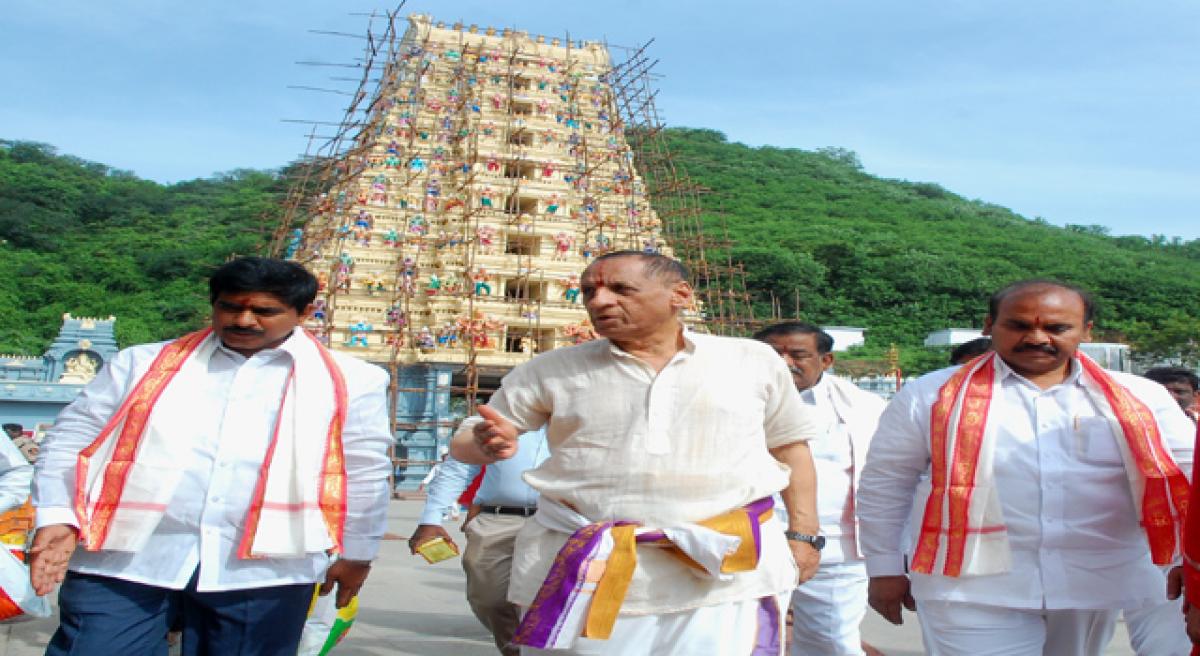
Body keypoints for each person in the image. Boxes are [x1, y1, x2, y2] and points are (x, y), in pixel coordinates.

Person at [451, 251, 823, 655]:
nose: (599, 301)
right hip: (588, 569)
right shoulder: (550, 369)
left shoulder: (751, 360)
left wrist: (803, 535)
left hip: (727, 569)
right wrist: (486, 443)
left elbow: (790, 448)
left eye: (620, 289)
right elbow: (468, 440)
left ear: (679, 295)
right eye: (589, 291)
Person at [30, 257, 394, 655]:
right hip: (126, 556)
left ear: (305, 312)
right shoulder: (142, 363)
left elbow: (364, 468)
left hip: (264, 568)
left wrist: (359, 553)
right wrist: (57, 514)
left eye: (264, 311)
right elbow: (71, 438)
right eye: (230, 307)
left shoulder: (353, 380)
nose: (244, 320)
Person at [858, 279, 1194, 655]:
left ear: (1086, 331)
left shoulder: (1142, 397)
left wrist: (1191, 561)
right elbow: (887, 483)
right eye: (1018, 325)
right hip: (968, 584)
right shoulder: (930, 394)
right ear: (989, 325)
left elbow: (1188, 475)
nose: (1037, 338)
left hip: (1095, 579)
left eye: (1056, 328)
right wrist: (884, 566)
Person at [755, 322, 885, 656]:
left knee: (832, 642)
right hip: (746, 542)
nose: (784, 363)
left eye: (797, 355)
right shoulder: (726, 402)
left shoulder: (864, 408)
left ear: (826, 361)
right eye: (772, 354)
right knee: (737, 640)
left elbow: (893, 477)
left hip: (833, 549)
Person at [409, 428, 549, 655]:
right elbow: (458, 468)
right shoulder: (497, 418)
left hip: (560, 522)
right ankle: (516, 650)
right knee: (489, 598)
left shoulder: (581, 416)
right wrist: (431, 519)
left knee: (550, 600)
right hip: (497, 520)